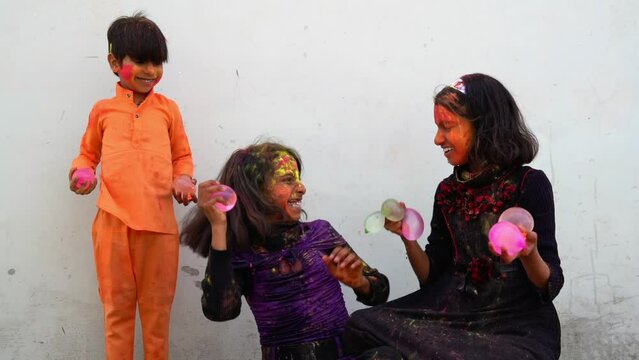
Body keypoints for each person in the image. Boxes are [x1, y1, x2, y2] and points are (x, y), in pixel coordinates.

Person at [342, 73, 564, 360]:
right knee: (360, 325)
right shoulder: (448, 190)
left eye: (447, 127)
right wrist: (409, 238)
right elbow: (432, 278)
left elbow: (550, 285)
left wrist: (528, 253)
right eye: (437, 128)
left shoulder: (528, 184)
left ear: (484, 126)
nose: (437, 139)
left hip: (515, 325)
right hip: (454, 315)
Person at [180, 142, 390, 359]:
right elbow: (220, 312)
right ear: (257, 190)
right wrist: (218, 226)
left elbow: (380, 292)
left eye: (298, 179)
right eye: (288, 180)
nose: (302, 188)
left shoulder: (320, 233)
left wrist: (361, 283)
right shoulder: (243, 254)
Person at [68, 13, 196, 360]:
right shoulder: (103, 111)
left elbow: (182, 157)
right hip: (111, 225)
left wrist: (183, 179)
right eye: (140, 61)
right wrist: (82, 174)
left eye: (157, 62)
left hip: (159, 229)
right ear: (114, 62)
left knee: (157, 318)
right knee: (117, 315)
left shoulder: (168, 111)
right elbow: (86, 155)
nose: (150, 70)